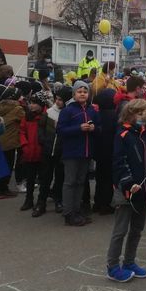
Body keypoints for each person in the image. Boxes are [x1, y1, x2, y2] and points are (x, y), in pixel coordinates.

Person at [106, 98, 146, 283]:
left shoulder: (145, 134)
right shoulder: (123, 134)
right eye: (140, 113)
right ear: (130, 114)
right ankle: (112, 266)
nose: (143, 117)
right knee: (120, 230)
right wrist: (128, 183)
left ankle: (129, 262)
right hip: (126, 189)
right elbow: (119, 162)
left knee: (137, 229)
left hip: (142, 189)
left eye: (145, 113)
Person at [56, 81, 99, 227]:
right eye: (79, 91)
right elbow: (60, 130)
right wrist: (78, 128)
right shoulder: (68, 111)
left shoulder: (92, 110)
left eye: (85, 92)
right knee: (70, 182)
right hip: (71, 153)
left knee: (80, 182)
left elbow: (99, 128)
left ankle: (76, 210)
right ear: (74, 94)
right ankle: (68, 213)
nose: (82, 94)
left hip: (86, 153)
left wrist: (94, 128)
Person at [36, 86, 71, 216]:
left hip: (61, 151)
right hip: (48, 150)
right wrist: (43, 141)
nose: (57, 101)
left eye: (61, 99)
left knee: (60, 178)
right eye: (57, 98)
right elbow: (41, 128)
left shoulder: (68, 113)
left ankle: (58, 200)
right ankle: (41, 203)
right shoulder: (49, 112)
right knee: (45, 178)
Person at [0, 86, 24, 198]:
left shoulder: (1, 105)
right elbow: (25, 118)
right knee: (8, 166)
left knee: (0, 165)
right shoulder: (18, 109)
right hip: (10, 141)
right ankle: (2, 190)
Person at [18, 92, 48, 212]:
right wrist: (24, 145)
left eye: (34, 103)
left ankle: (41, 201)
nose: (31, 105)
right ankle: (28, 199)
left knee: (44, 179)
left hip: (42, 152)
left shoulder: (46, 116)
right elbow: (22, 131)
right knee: (30, 178)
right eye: (30, 103)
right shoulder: (27, 116)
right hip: (29, 152)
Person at [93, 88, 118, 215]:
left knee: (100, 177)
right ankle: (105, 204)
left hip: (99, 150)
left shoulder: (97, 114)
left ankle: (97, 202)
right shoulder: (115, 115)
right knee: (108, 179)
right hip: (110, 150)